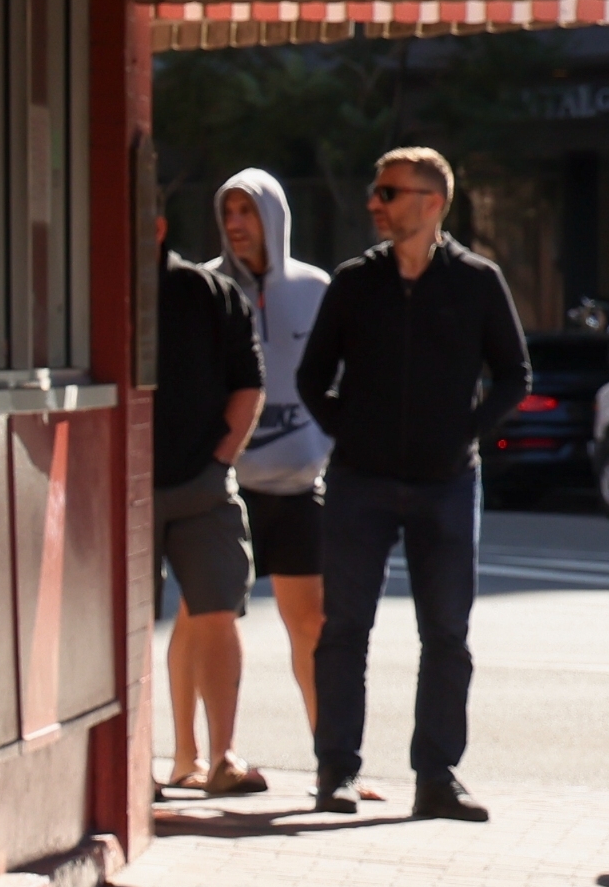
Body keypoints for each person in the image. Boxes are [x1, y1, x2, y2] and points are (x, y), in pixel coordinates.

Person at [288, 144, 524, 820]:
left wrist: (465, 433)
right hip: (360, 482)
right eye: (377, 191)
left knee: (446, 634)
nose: (376, 203)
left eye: (389, 192)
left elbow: (515, 375)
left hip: (447, 484)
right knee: (344, 632)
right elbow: (311, 377)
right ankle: (336, 771)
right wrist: (349, 430)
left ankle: (437, 777)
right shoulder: (355, 281)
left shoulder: (477, 281)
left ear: (432, 202)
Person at [216, 167, 336, 763]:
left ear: (274, 219)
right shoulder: (209, 288)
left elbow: (347, 378)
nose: (237, 224)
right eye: (228, 212)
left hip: (298, 488)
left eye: (248, 212)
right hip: (225, 491)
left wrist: (330, 445)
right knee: (207, 621)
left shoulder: (316, 289)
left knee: (312, 627)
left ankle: (332, 761)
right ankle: (202, 756)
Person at [153, 202, 271, 794]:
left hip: (201, 483)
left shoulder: (208, 293)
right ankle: (168, 758)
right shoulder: (90, 290)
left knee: (218, 611)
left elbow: (249, 383)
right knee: (116, 625)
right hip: (120, 492)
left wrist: (221, 458)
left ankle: (222, 756)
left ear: (157, 227)